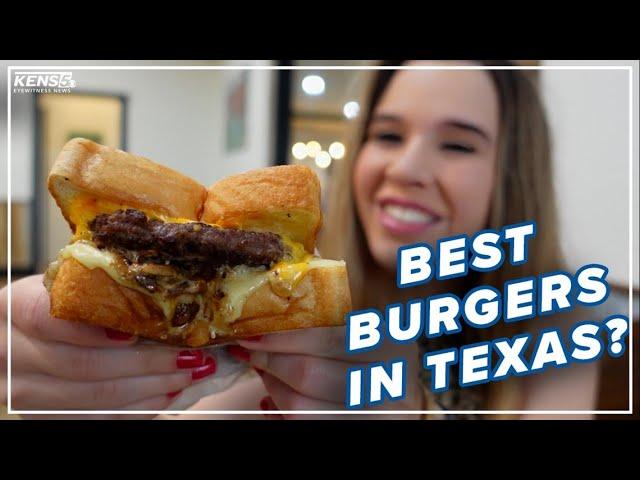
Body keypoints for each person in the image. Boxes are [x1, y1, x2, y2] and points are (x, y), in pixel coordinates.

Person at [0, 60, 600, 419]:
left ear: (514, 174)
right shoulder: (299, 304)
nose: (407, 169)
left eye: (459, 144)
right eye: (387, 135)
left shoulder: (564, 323)